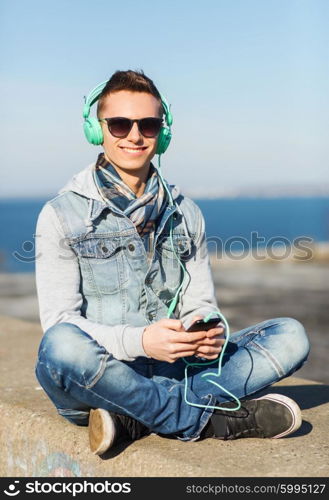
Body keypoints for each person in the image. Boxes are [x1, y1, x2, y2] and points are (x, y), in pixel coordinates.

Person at [35, 70, 310, 456]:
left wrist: (205, 329)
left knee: (290, 335)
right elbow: (60, 322)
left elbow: (200, 299)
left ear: (162, 133)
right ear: (97, 131)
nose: (135, 135)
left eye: (148, 124)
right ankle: (202, 420)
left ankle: (134, 418)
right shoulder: (60, 214)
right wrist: (142, 341)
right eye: (119, 124)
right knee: (60, 346)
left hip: (175, 369)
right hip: (102, 376)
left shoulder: (186, 213)